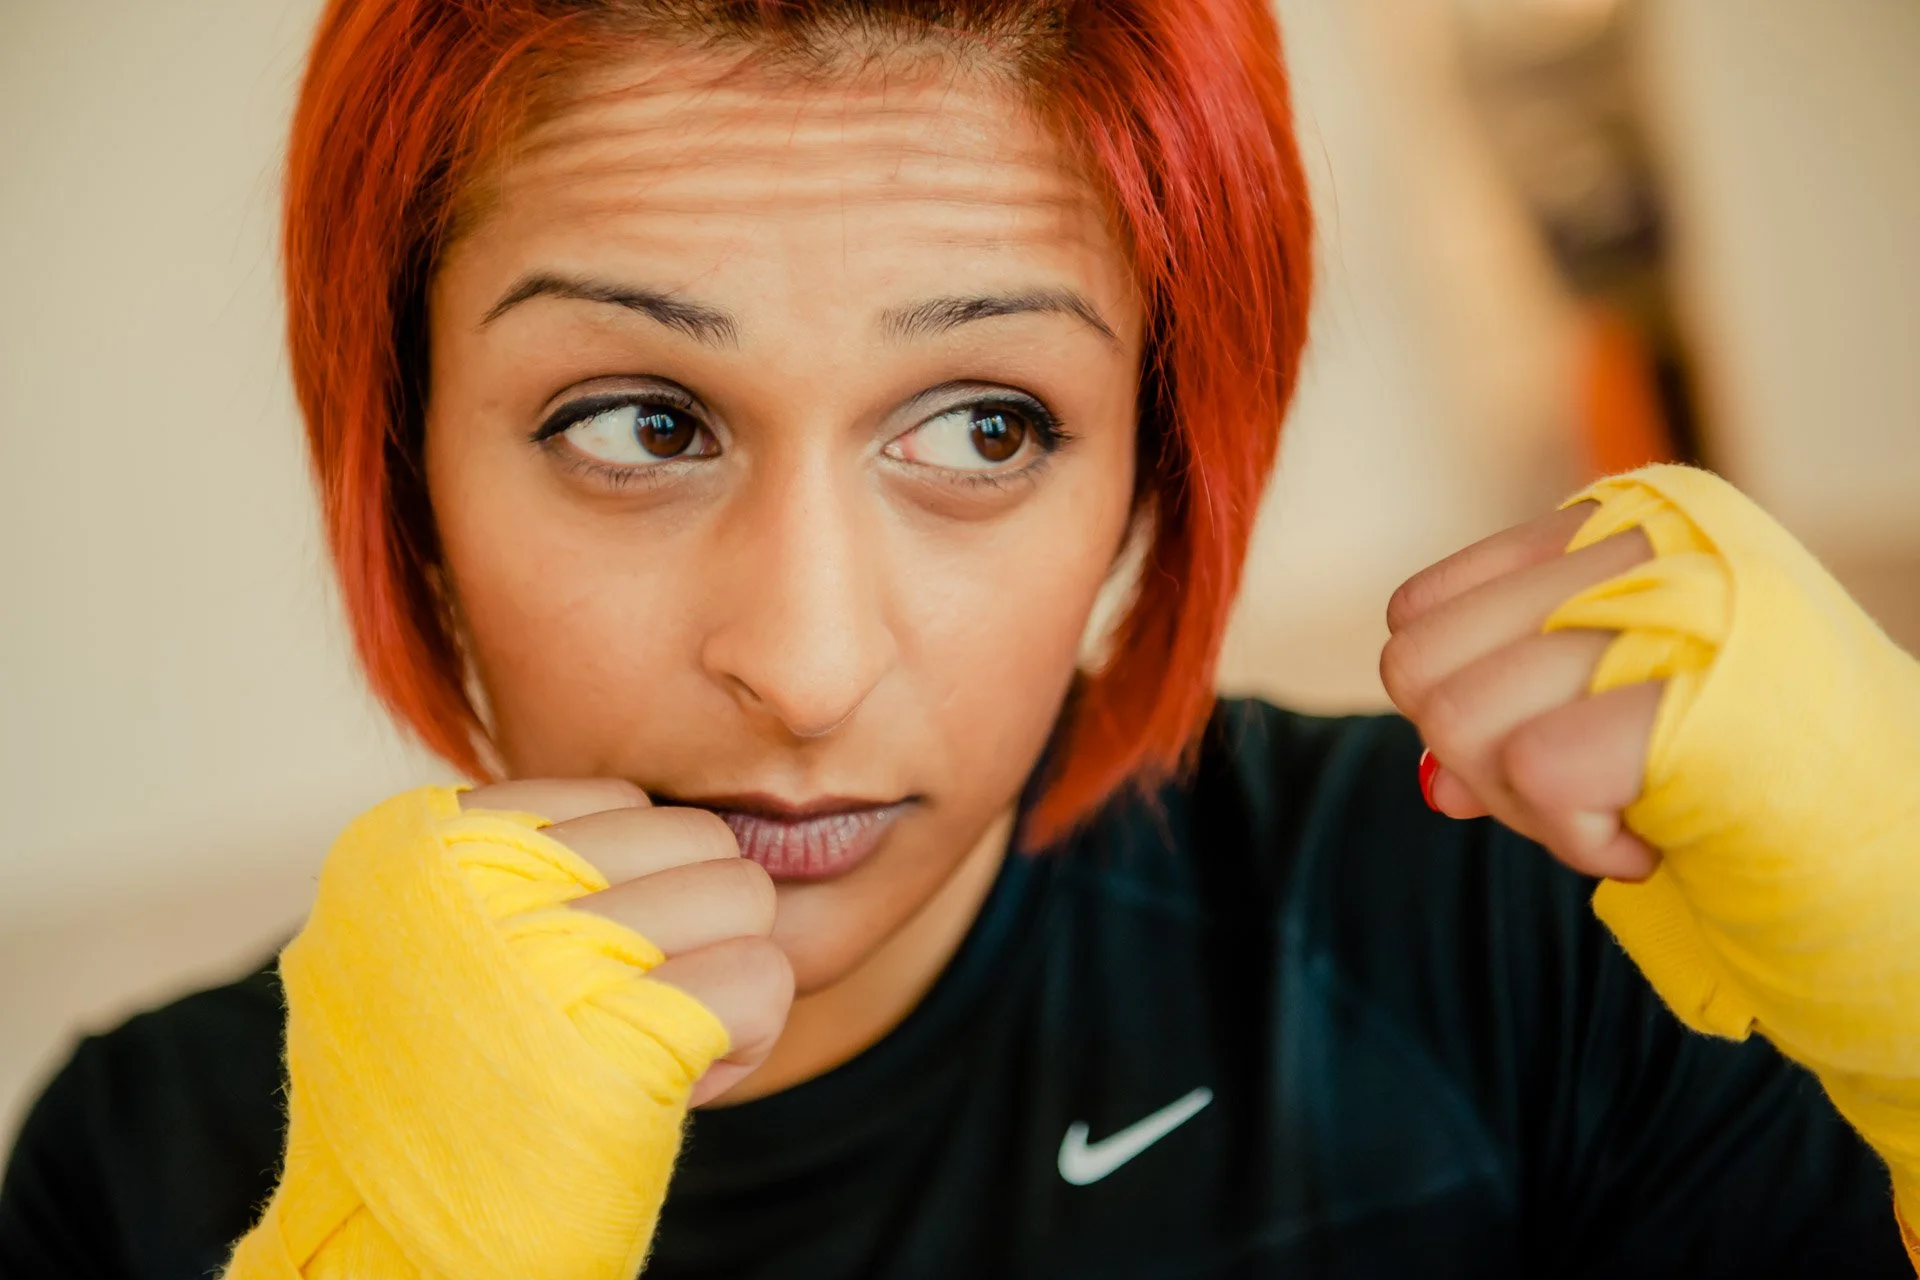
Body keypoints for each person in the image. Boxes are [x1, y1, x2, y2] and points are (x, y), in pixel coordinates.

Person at [3, 1, 1918, 1276]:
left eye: (987, 428)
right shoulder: (151, 1165)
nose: (806, 663)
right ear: (402, 453)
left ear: (1154, 472)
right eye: (640, 424)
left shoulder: (1518, 928)